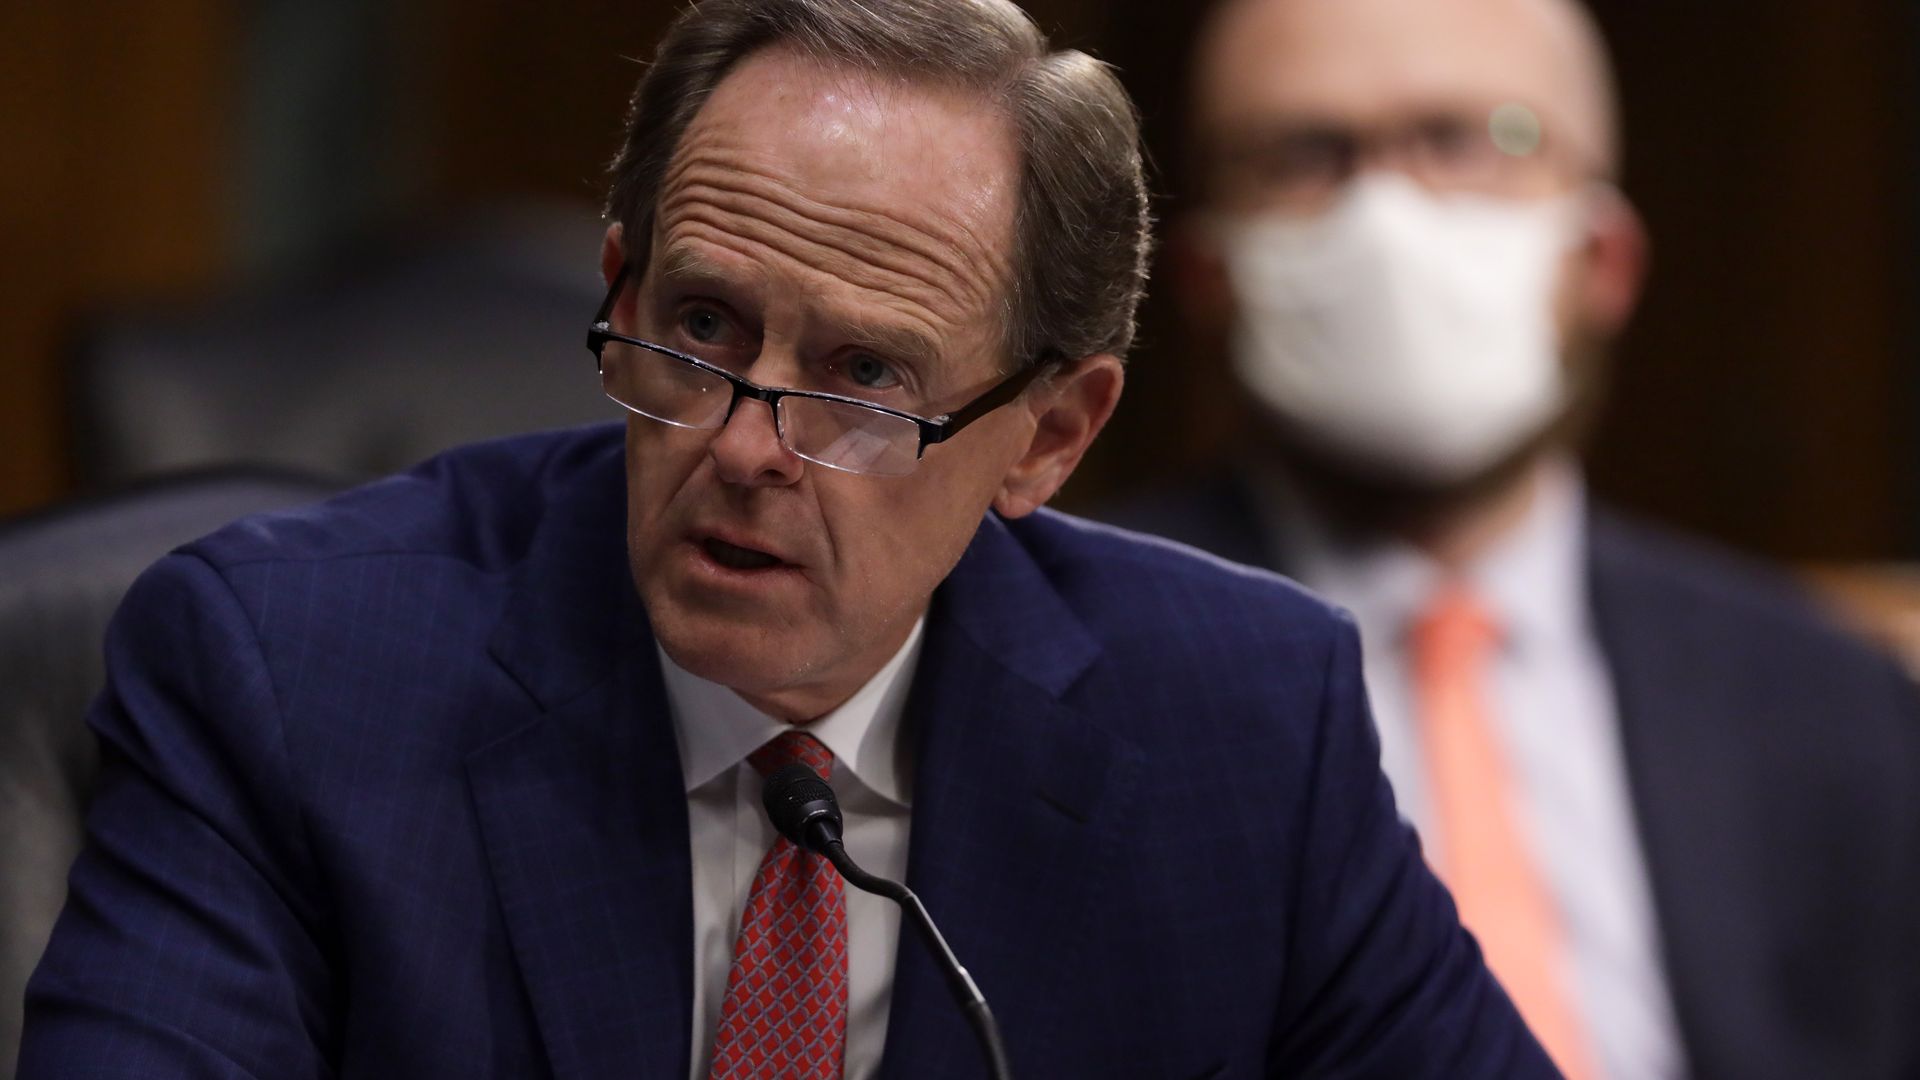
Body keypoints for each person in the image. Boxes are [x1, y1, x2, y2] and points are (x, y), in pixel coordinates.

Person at [17, 0, 1559, 1076]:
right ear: (618, 291)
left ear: (1050, 436)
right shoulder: (292, 678)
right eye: (699, 328)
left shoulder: (1238, 725)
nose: (749, 447)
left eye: (868, 379)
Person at [1106, 0, 1920, 1078]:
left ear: (1605, 263)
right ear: (1206, 277)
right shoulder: (1059, 663)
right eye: (1306, 156)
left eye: (1465, 140)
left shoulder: (1835, 704)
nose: (1386, 215)